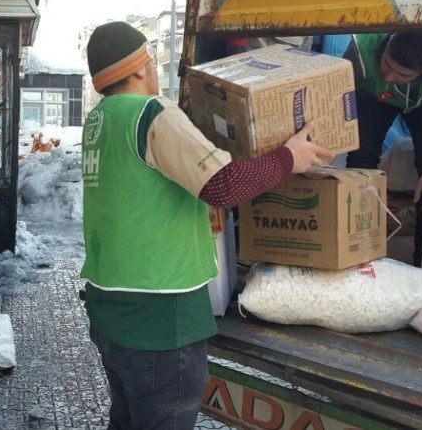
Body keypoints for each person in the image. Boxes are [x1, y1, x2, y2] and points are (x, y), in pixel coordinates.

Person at [81, 21, 334, 429]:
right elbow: (223, 185)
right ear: (143, 67)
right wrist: (290, 158)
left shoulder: (100, 120)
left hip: (112, 310)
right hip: (160, 317)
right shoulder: (152, 113)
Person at [343, 32, 422, 266]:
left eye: (402, 74)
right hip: (374, 98)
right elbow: (337, 98)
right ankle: (356, 258)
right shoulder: (362, 49)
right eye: (386, 65)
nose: (390, 76)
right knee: (360, 163)